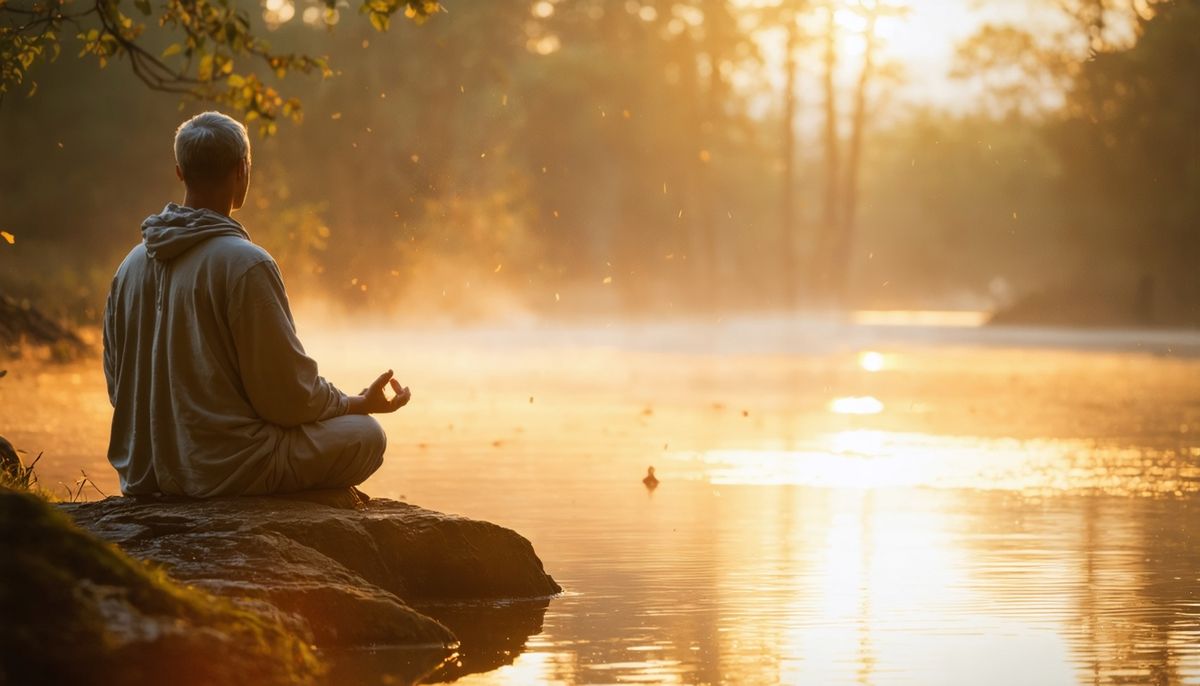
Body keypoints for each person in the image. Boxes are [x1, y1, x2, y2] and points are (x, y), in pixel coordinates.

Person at [102, 111, 410, 497]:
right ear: (242, 170)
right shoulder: (245, 263)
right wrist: (355, 403)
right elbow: (286, 399)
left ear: (180, 172)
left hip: (144, 474)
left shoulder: (129, 266)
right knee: (366, 435)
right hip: (224, 470)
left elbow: (118, 389)